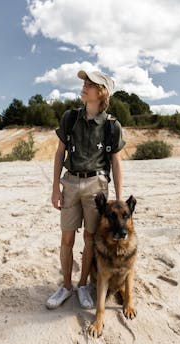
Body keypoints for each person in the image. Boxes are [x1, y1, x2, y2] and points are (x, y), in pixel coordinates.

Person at [46, 70, 125, 309]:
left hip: (97, 185)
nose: (84, 86)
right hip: (69, 182)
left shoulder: (112, 126)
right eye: (84, 83)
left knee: (90, 237)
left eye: (90, 84)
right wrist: (55, 188)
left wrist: (120, 201)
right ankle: (66, 286)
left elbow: (116, 162)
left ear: (102, 92)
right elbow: (60, 153)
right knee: (67, 237)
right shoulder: (70, 118)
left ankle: (82, 286)